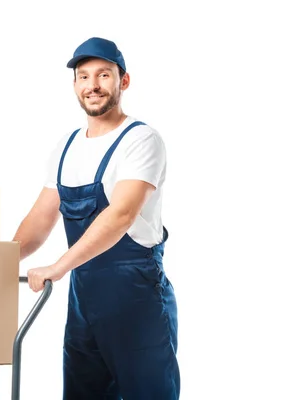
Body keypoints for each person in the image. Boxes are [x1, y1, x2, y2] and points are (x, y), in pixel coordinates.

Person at [12, 37, 180, 399]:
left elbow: (120, 216)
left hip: (136, 299)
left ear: (124, 81)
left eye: (104, 75)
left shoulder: (141, 140)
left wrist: (58, 267)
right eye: (84, 76)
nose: (93, 85)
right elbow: (41, 218)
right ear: (75, 85)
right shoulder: (67, 146)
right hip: (84, 301)